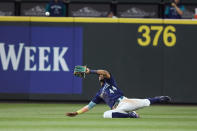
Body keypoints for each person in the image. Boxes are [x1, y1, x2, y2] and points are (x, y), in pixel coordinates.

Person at [66, 67, 171, 118]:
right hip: (118, 109)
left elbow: (105, 72)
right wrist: (77, 113)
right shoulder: (99, 94)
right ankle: (131, 115)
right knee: (106, 114)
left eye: (101, 74)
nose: (101, 75)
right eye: (99, 75)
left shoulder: (110, 81)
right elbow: (89, 106)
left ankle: (160, 98)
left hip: (125, 101)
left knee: (145, 102)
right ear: (99, 79)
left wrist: (91, 72)